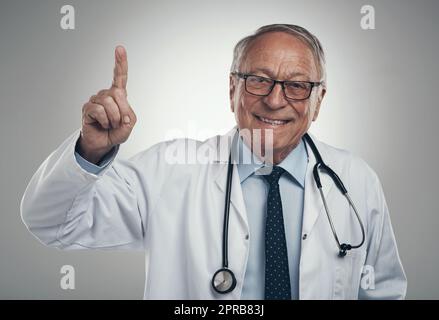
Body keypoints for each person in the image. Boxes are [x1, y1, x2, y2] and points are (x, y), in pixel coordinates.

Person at [21, 24, 407, 299]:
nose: (275, 100)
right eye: (258, 80)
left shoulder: (356, 179)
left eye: (297, 86)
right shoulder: (170, 170)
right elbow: (52, 223)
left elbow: (383, 291)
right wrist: (92, 151)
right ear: (232, 88)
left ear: (319, 101)